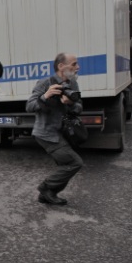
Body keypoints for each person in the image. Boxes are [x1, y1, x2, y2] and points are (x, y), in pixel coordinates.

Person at [26, 53, 83, 206]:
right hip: (46, 133)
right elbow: (29, 107)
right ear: (61, 66)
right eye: (74, 64)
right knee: (74, 162)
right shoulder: (45, 82)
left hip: (62, 131)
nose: (78, 67)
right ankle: (46, 188)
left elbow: (80, 107)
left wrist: (70, 103)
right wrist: (45, 96)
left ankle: (48, 194)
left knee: (65, 163)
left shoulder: (72, 84)